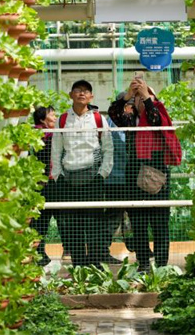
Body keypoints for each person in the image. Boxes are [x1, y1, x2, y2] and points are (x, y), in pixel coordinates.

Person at [108, 76, 181, 271]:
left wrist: (147, 97)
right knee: (138, 220)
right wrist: (128, 96)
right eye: (138, 96)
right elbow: (114, 114)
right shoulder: (129, 116)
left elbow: (156, 118)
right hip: (134, 169)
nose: (140, 98)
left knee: (159, 221)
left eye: (144, 95)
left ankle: (162, 265)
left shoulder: (157, 110)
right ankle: (143, 265)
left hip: (157, 168)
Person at [51, 80, 113, 268]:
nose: (82, 93)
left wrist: (102, 174)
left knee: (94, 225)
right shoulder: (62, 120)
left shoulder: (98, 119)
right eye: (78, 90)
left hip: (93, 179)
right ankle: (78, 266)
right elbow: (56, 150)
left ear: (91, 96)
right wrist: (58, 175)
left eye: (86, 91)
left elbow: (108, 149)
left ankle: (95, 266)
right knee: (73, 226)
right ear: (71, 95)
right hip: (68, 180)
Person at [29, 106, 67, 266]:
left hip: (52, 180)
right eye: (52, 115)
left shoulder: (51, 134)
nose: (55, 117)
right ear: (43, 119)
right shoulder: (42, 135)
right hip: (45, 182)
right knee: (44, 218)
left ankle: (66, 250)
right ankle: (38, 252)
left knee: (57, 217)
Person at [100, 95, 130, 265]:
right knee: (113, 215)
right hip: (116, 178)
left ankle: (137, 247)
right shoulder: (111, 124)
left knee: (124, 214)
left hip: (123, 177)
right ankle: (102, 251)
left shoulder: (122, 122)